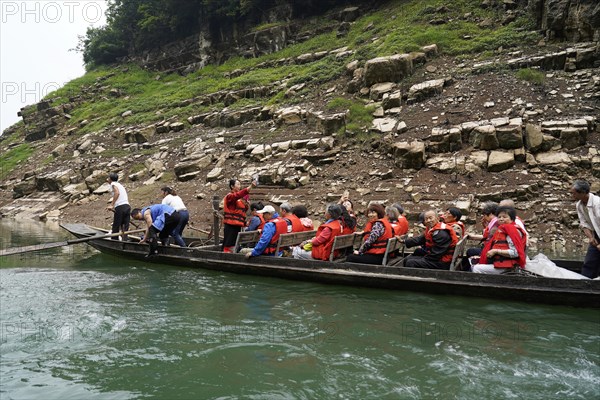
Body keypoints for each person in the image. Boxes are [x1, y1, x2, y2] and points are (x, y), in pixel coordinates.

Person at [472, 206, 527, 274]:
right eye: (499, 217)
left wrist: (495, 251)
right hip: (501, 264)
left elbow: (515, 253)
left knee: (476, 268)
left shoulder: (512, 231)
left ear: (512, 219)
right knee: (475, 262)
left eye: (504, 217)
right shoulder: (502, 229)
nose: (501, 219)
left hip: (508, 267)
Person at [570, 180, 600, 278]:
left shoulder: (597, 203)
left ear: (583, 193)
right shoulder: (579, 205)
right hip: (596, 234)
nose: (572, 196)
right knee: (590, 262)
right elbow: (584, 223)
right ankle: (586, 283)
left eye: (574, 193)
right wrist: (591, 237)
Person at [223, 178, 257, 253]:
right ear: (232, 186)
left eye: (240, 184)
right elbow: (237, 195)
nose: (239, 186)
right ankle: (227, 256)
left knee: (235, 243)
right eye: (238, 184)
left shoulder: (240, 200)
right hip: (230, 225)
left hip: (238, 225)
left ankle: (233, 254)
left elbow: (241, 212)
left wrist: (246, 205)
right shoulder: (230, 197)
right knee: (229, 244)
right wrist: (250, 187)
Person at [462, 201, 499, 270]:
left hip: (491, 251)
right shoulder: (493, 223)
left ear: (490, 214)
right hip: (490, 249)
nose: (484, 217)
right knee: (470, 251)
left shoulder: (496, 224)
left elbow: (488, 238)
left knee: (470, 253)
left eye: (484, 215)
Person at [106, 172, 130, 241]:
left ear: (110, 179)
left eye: (108, 178)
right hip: (127, 206)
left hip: (120, 207)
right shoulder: (120, 185)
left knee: (116, 226)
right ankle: (125, 240)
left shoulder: (113, 184)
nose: (107, 180)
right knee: (125, 226)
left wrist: (112, 205)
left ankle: (114, 241)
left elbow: (117, 193)